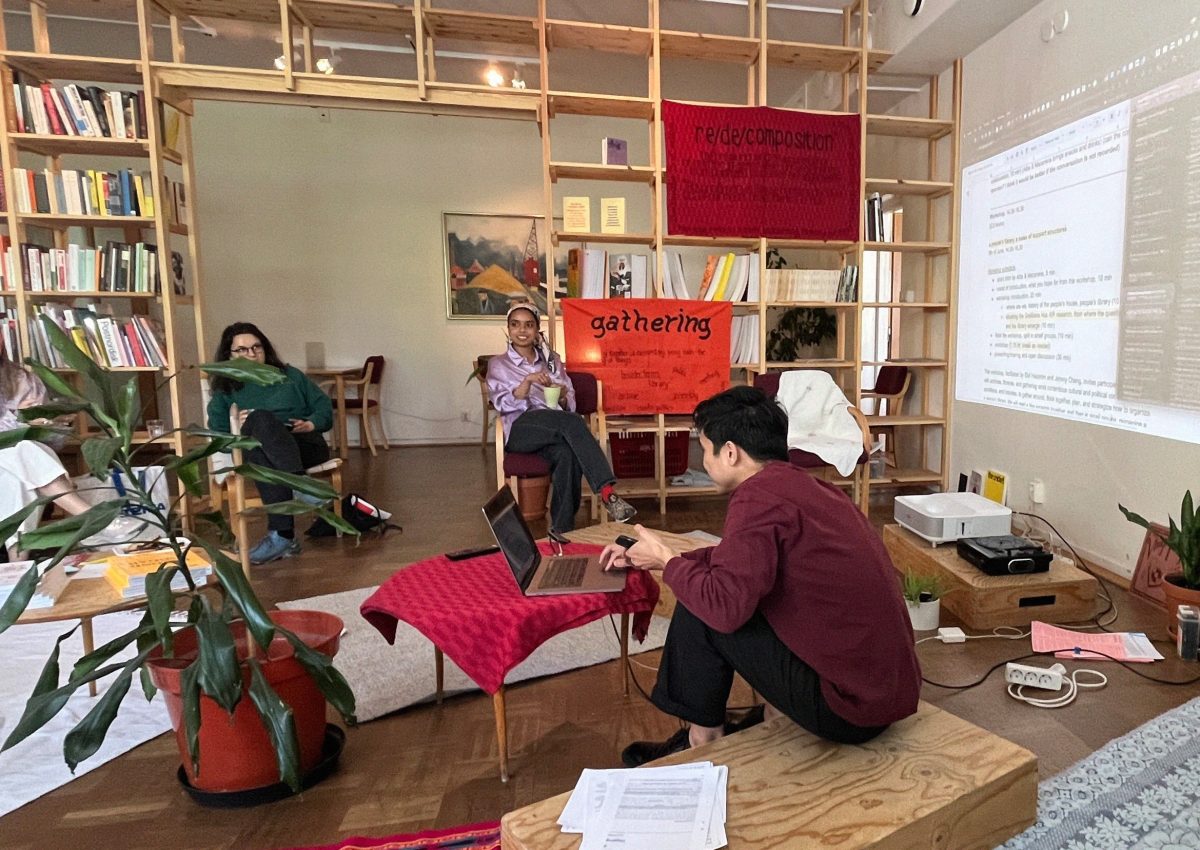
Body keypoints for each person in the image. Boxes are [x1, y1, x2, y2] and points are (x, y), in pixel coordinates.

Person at [599, 385, 921, 766]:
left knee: (703, 606)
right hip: (883, 694)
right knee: (704, 582)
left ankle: (702, 739)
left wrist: (670, 563)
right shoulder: (805, 486)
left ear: (731, 452)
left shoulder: (756, 499)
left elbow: (723, 608)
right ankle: (770, 715)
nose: (704, 461)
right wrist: (658, 559)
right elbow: (739, 561)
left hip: (848, 710)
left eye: (705, 449)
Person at [486, 301, 635, 533]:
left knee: (567, 455)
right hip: (520, 428)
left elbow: (569, 401)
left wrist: (564, 395)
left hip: (554, 426)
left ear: (537, 330)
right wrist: (526, 383)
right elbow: (502, 404)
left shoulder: (552, 360)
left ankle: (562, 529)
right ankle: (607, 492)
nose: (522, 331)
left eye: (528, 325)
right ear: (508, 328)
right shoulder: (498, 364)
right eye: (515, 325)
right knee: (572, 423)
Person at [206, 322, 333, 565]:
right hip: (261, 449)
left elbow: (323, 407)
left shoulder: (289, 375)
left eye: (257, 347)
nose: (252, 354)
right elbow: (220, 436)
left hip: (304, 444)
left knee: (259, 451)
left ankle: (282, 538)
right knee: (259, 426)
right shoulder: (225, 389)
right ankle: (298, 485)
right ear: (229, 355)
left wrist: (311, 423)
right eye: (242, 350)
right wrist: (237, 423)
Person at [0, 349, 144, 556]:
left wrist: (53, 422)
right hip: (17, 460)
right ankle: (93, 519)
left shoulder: (23, 380)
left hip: (19, 469)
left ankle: (18, 571)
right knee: (21, 450)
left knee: (18, 479)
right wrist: (21, 421)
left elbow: (53, 443)